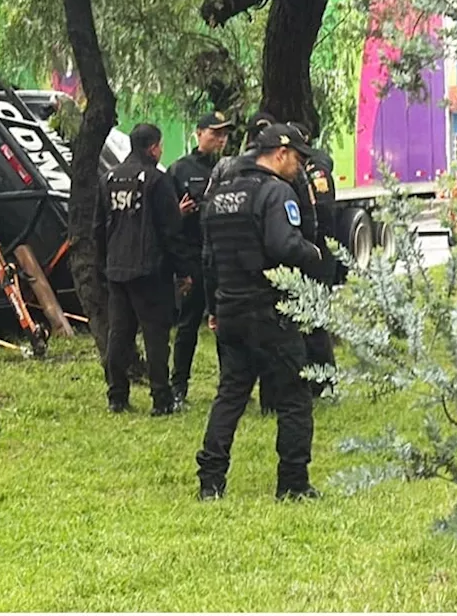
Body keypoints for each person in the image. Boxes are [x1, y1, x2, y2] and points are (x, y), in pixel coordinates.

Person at [196, 124, 334, 501]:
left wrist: (213, 307)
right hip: (269, 311)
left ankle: (210, 481)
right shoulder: (275, 193)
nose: (302, 166)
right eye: (299, 158)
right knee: (294, 397)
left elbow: (208, 259)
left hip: (230, 311)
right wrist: (314, 254)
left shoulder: (221, 195)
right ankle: (293, 483)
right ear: (280, 153)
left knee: (230, 396)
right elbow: (283, 244)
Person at [96, 123, 195, 415]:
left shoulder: (109, 178)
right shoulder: (156, 179)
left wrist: (105, 264)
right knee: (155, 336)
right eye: (160, 146)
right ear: (153, 147)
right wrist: (184, 270)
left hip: (117, 269)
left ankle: (117, 396)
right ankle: (161, 399)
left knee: (119, 334)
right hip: (150, 270)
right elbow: (170, 231)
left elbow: (98, 228)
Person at [167, 111, 234, 407]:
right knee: (188, 326)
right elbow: (165, 220)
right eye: (214, 133)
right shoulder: (180, 170)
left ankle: (230, 386)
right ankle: (178, 386)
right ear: (198, 134)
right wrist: (178, 215)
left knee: (227, 324)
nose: (220, 139)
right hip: (193, 256)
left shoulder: (233, 168)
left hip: (223, 257)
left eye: (224, 134)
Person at [289, 122, 339, 398]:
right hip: (306, 255)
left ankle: (326, 380)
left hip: (318, 256)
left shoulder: (315, 171)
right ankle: (311, 378)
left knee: (315, 322)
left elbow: (322, 216)